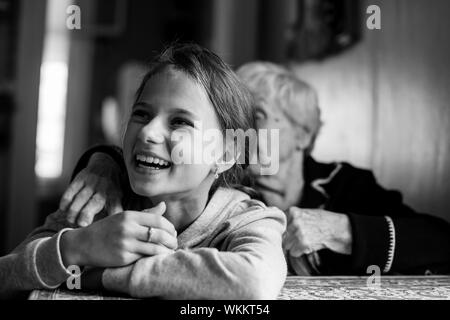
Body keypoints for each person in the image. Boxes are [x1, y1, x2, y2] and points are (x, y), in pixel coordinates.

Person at [57, 62, 450, 276]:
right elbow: (143, 159)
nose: (238, 127)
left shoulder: (344, 183)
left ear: (303, 134)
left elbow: (439, 240)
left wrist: (341, 230)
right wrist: (101, 163)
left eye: (256, 115)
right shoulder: (218, 178)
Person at [0, 45, 287, 299]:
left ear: (226, 153)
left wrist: (101, 276)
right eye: (141, 114)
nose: (148, 132)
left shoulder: (248, 219)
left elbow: (254, 281)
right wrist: (77, 247)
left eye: (179, 122)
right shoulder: (97, 203)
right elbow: (5, 278)